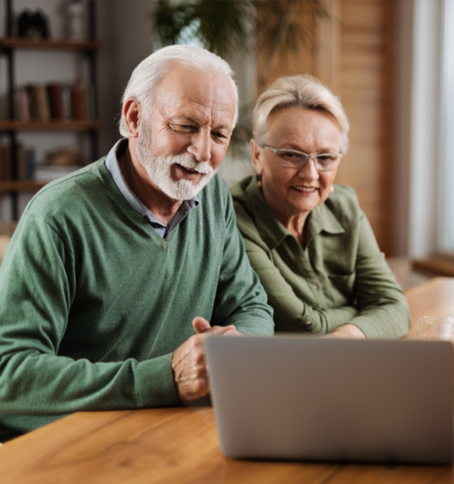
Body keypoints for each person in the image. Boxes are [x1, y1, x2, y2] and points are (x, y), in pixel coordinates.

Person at [0, 45, 274, 441]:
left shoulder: (213, 199)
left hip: (164, 432)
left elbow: (250, 306)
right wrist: (164, 378)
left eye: (218, 134)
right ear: (134, 118)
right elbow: (10, 374)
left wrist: (236, 349)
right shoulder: (57, 217)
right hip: (61, 447)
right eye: (185, 126)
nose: (202, 152)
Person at [230, 75, 409, 338]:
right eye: (292, 154)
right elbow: (300, 324)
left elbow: (396, 308)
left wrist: (346, 337)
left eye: (325, 157)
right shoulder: (234, 218)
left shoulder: (345, 209)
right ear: (257, 156)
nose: (310, 174)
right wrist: (360, 311)